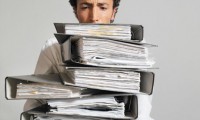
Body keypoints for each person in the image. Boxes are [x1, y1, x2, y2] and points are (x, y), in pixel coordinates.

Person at [24, 0, 154, 119]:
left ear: (113, 12)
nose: (94, 17)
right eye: (85, 7)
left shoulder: (133, 50)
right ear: (76, 11)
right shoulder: (53, 49)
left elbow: (142, 111)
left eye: (102, 7)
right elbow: (33, 104)